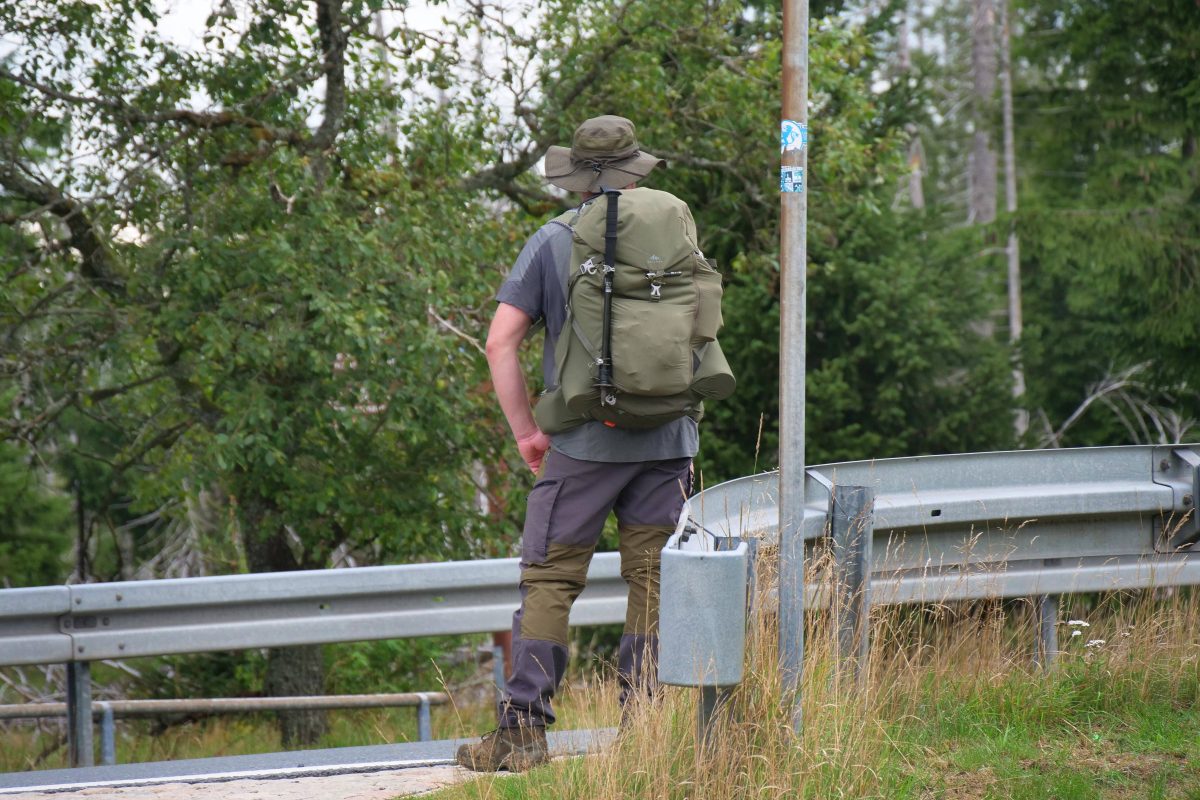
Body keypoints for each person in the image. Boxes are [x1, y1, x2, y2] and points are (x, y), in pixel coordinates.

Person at [455, 116, 699, 772]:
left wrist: (527, 433)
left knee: (550, 577)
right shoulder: (674, 228)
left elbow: (499, 342)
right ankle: (647, 731)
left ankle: (522, 733)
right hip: (669, 438)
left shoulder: (553, 240)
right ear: (633, 168)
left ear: (578, 176)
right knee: (653, 578)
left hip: (583, 446)